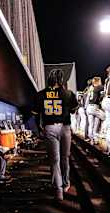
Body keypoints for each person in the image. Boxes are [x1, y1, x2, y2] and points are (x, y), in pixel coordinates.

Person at [33, 69, 78, 201]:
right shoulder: (68, 93)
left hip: (49, 128)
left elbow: (36, 115)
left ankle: (58, 191)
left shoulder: (41, 94)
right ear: (61, 79)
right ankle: (65, 184)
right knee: (65, 158)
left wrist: (39, 129)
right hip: (64, 128)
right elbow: (74, 111)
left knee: (55, 161)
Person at [87, 77, 105, 144]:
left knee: (91, 124)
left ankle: (92, 140)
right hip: (94, 107)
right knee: (106, 117)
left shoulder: (91, 88)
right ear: (97, 82)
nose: (101, 82)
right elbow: (105, 87)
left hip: (89, 107)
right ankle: (102, 133)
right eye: (100, 81)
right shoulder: (98, 87)